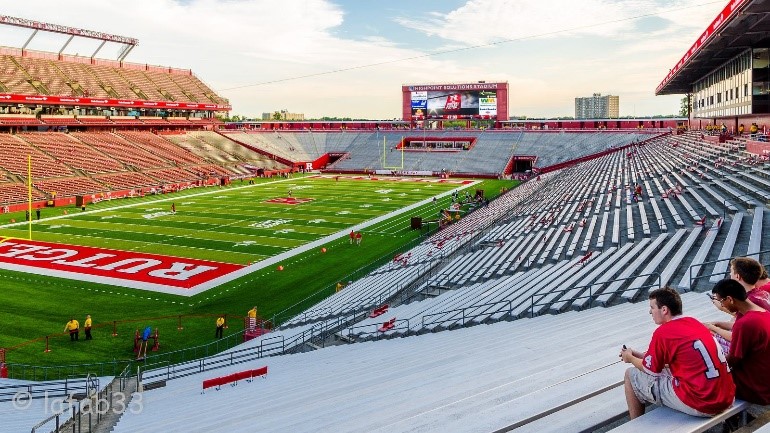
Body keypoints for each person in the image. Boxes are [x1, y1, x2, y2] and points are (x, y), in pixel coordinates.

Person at [620, 287, 734, 419]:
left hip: (703, 403)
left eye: (652, 307)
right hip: (727, 397)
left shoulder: (663, 332)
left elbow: (649, 370)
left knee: (631, 374)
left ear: (664, 310)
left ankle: (635, 427)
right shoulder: (694, 322)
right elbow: (682, 361)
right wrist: (640, 356)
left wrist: (630, 358)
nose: (650, 312)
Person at [710, 278, 770, 405]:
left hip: (756, 388)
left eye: (721, 301)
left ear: (730, 299)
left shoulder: (744, 324)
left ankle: (732, 417)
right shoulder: (764, 313)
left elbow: (732, 360)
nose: (721, 306)